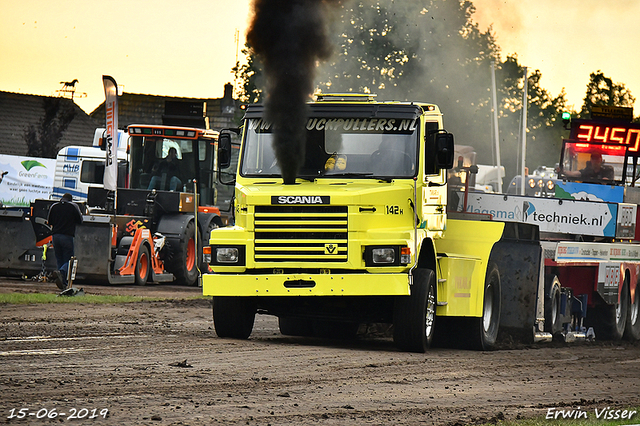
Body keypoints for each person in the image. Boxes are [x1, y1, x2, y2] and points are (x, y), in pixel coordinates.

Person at [47, 193, 83, 290]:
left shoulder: (54, 206)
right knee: (69, 260)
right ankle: (62, 272)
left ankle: (62, 283)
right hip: (67, 236)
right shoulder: (73, 206)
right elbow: (80, 220)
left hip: (55, 236)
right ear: (70, 199)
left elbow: (49, 221)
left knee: (59, 259)